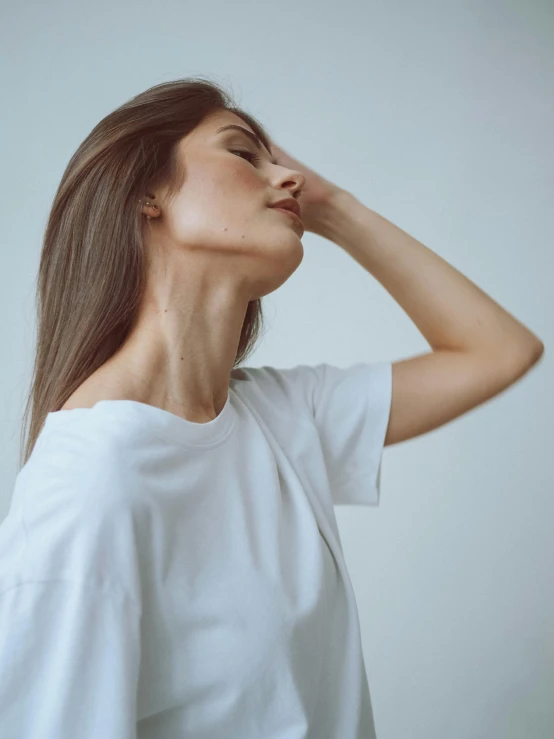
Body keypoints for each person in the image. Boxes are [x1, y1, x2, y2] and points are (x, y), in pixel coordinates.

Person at [0, 76, 543, 739]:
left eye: (279, 162)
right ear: (147, 192)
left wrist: (337, 208)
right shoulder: (85, 484)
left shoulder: (283, 416)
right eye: (243, 153)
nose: (287, 176)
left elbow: (500, 350)